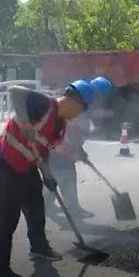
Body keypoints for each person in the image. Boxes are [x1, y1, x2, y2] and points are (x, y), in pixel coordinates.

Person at [0, 79, 94, 277]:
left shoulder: (60, 126)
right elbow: (15, 92)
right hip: (5, 160)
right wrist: (25, 122)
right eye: (81, 109)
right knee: (8, 216)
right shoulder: (44, 104)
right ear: (73, 101)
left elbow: (43, 151)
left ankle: (39, 248)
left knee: (36, 208)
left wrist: (48, 175)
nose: (79, 115)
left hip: (27, 164)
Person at [48, 76, 114, 218]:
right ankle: (73, 210)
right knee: (67, 176)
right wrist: (75, 151)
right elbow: (70, 131)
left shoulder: (82, 94)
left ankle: (46, 205)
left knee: (53, 175)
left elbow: (74, 133)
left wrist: (80, 150)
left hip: (55, 146)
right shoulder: (82, 104)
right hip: (59, 147)